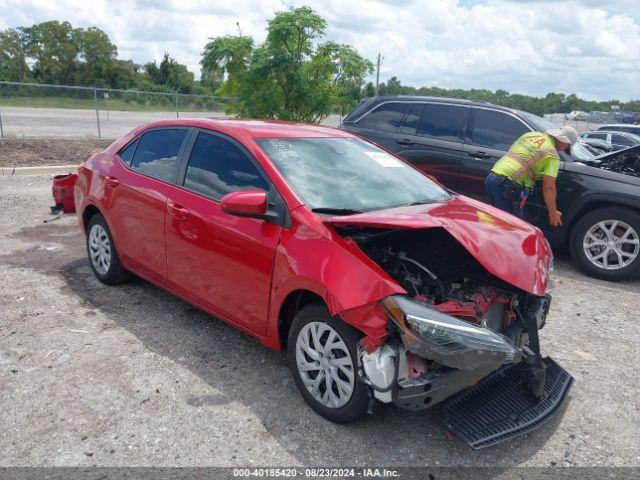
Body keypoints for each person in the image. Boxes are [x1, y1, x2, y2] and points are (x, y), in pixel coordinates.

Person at [485, 125, 578, 226]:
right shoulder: (552, 155)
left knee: (496, 221)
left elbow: (523, 159)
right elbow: (549, 188)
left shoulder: (530, 135)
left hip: (492, 177)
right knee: (512, 227)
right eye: (567, 146)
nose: (564, 150)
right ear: (564, 141)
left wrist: (535, 175)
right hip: (508, 186)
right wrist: (553, 213)